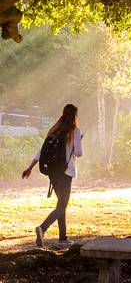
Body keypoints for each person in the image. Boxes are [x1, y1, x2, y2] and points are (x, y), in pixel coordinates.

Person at [22, 104, 83, 248]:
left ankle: (63, 238)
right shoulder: (75, 131)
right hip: (66, 173)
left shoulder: (54, 130)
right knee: (62, 206)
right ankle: (43, 228)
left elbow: (40, 152)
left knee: (60, 205)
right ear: (75, 116)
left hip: (53, 173)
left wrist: (29, 167)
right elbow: (79, 153)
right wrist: (78, 141)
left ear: (63, 114)